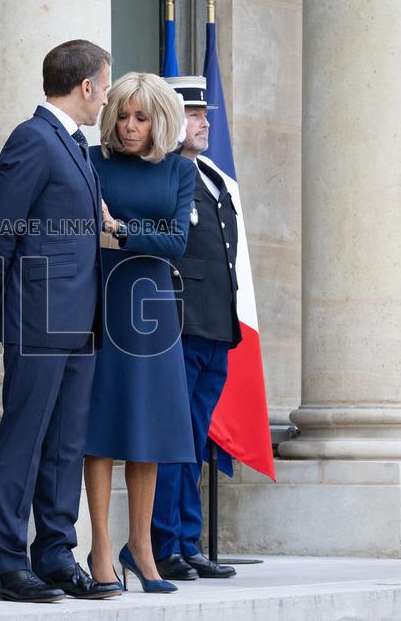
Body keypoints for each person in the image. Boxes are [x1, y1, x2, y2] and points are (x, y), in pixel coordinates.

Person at [0, 39, 119, 603]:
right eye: (105, 87)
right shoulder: (33, 138)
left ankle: (55, 554)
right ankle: (8, 563)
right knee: (25, 438)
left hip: (80, 316)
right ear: (86, 87)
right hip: (39, 313)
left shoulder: (76, 147)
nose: (105, 98)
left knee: (65, 443)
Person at [83, 72, 197, 594]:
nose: (129, 127)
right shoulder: (93, 162)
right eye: (122, 116)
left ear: (160, 122)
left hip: (152, 307)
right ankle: (102, 548)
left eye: (141, 118)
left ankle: (143, 547)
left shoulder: (178, 169)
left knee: (147, 429)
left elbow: (176, 245)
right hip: (101, 296)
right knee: (101, 428)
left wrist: (121, 228)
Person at [150, 75, 239, 581]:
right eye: (194, 113)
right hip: (178, 325)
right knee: (174, 438)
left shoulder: (211, 176)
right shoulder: (161, 175)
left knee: (196, 438)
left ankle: (188, 540)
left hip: (214, 326)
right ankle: (166, 544)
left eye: (205, 113)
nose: (206, 121)